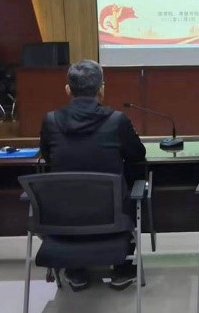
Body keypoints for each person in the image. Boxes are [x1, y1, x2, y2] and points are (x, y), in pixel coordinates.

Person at [38, 59, 147, 291]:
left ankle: (76, 269)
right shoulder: (117, 120)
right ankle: (122, 268)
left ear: (68, 90)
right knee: (134, 186)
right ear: (101, 90)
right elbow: (138, 154)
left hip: (64, 217)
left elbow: (48, 158)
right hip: (112, 216)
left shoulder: (50, 121)